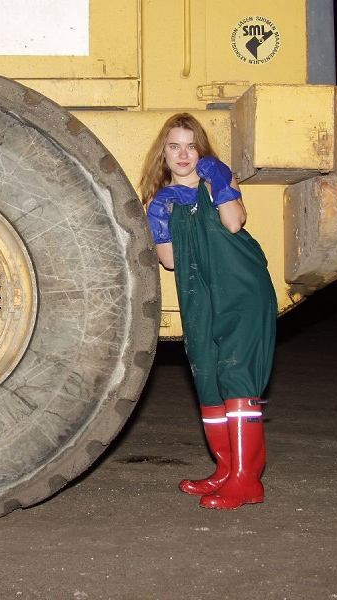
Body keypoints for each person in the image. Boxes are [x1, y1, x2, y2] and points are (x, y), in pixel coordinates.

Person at [140, 113, 277, 510]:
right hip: (199, 295)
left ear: (201, 151)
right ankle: (225, 469)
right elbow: (168, 261)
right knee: (208, 375)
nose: (183, 154)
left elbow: (234, 224)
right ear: (163, 154)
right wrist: (158, 218)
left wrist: (218, 181)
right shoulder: (160, 199)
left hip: (241, 288)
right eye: (174, 146)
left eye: (191, 145)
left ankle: (246, 480)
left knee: (237, 371)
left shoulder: (219, 179)